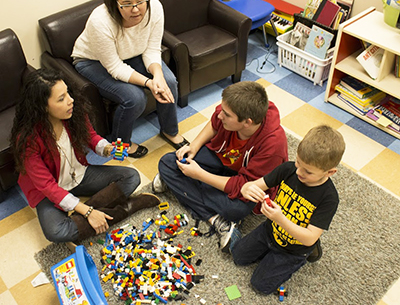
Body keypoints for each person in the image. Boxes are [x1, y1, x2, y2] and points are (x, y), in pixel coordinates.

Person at [10, 69, 160, 245]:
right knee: (56, 232)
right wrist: (88, 212)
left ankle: (80, 220)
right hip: (49, 190)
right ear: (42, 107)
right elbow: (47, 186)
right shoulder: (28, 139)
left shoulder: (73, 113)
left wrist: (108, 149)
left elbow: (91, 137)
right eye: (61, 98)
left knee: (131, 177)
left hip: (79, 175)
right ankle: (128, 207)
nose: (70, 100)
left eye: (67, 93)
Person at [154, 81, 288, 251]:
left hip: (247, 181)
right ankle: (215, 217)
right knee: (167, 162)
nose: (220, 116)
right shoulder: (235, 106)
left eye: (226, 115)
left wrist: (200, 175)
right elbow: (214, 122)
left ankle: (190, 194)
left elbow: (245, 186)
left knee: (235, 210)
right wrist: (194, 145)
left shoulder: (273, 145)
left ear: (247, 122)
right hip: (221, 156)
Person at [71, 0, 188, 158]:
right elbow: (115, 67)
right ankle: (121, 144)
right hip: (93, 61)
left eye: (140, 1)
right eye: (127, 4)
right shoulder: (100, 21)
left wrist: (157, 76)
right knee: (135, 99)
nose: (136, 9)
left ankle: (169, 130)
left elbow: (152, 49)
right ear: (114, 2)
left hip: (133, 54)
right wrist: (149, 83)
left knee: (169, 81)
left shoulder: (155, 8)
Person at [231, 125, 346, 295]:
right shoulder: (289, 169)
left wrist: (280, 219)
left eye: (308, 171)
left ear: (330, 172)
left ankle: (308, 256)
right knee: (237, 256)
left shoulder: (329, 198)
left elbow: (308, 238)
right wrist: (247, 188)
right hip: (269, 231)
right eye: (298, 162)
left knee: (260, 286)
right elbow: (256, 185)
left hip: (294, 249)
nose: (298, 171)